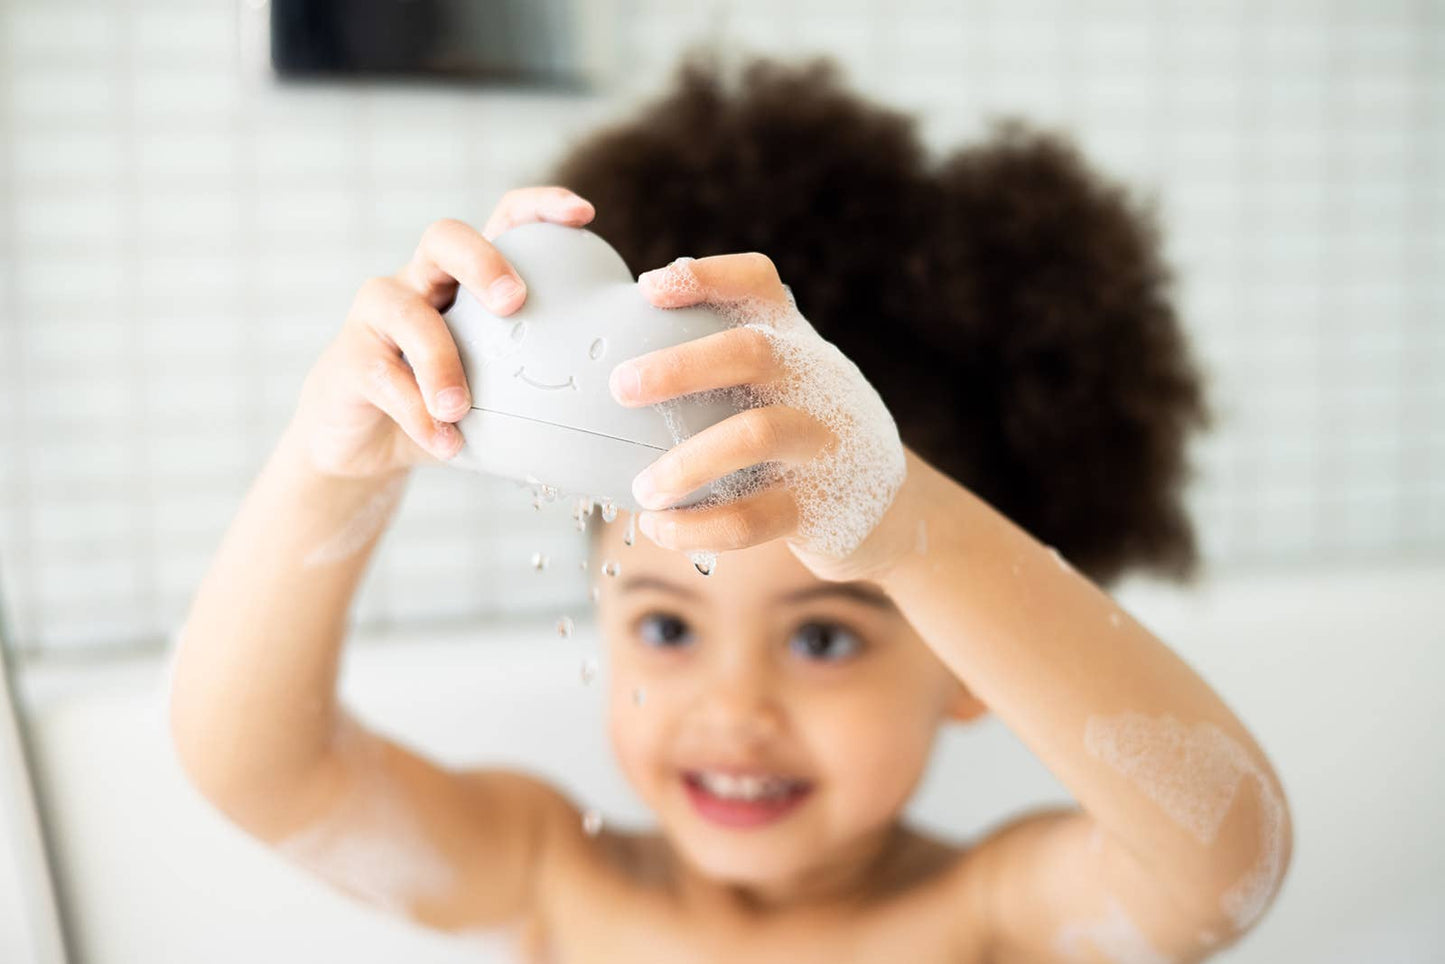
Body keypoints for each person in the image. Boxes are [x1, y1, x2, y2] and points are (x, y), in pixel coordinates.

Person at [170, 50, 1291, 962]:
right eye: (665, 624)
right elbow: (259, 768)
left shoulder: (987, 919)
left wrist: (901, 521)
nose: (732, 704)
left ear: (963, 668)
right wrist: (331, 470)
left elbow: (1223, 864)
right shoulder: (549, 875)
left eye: (821, 635)